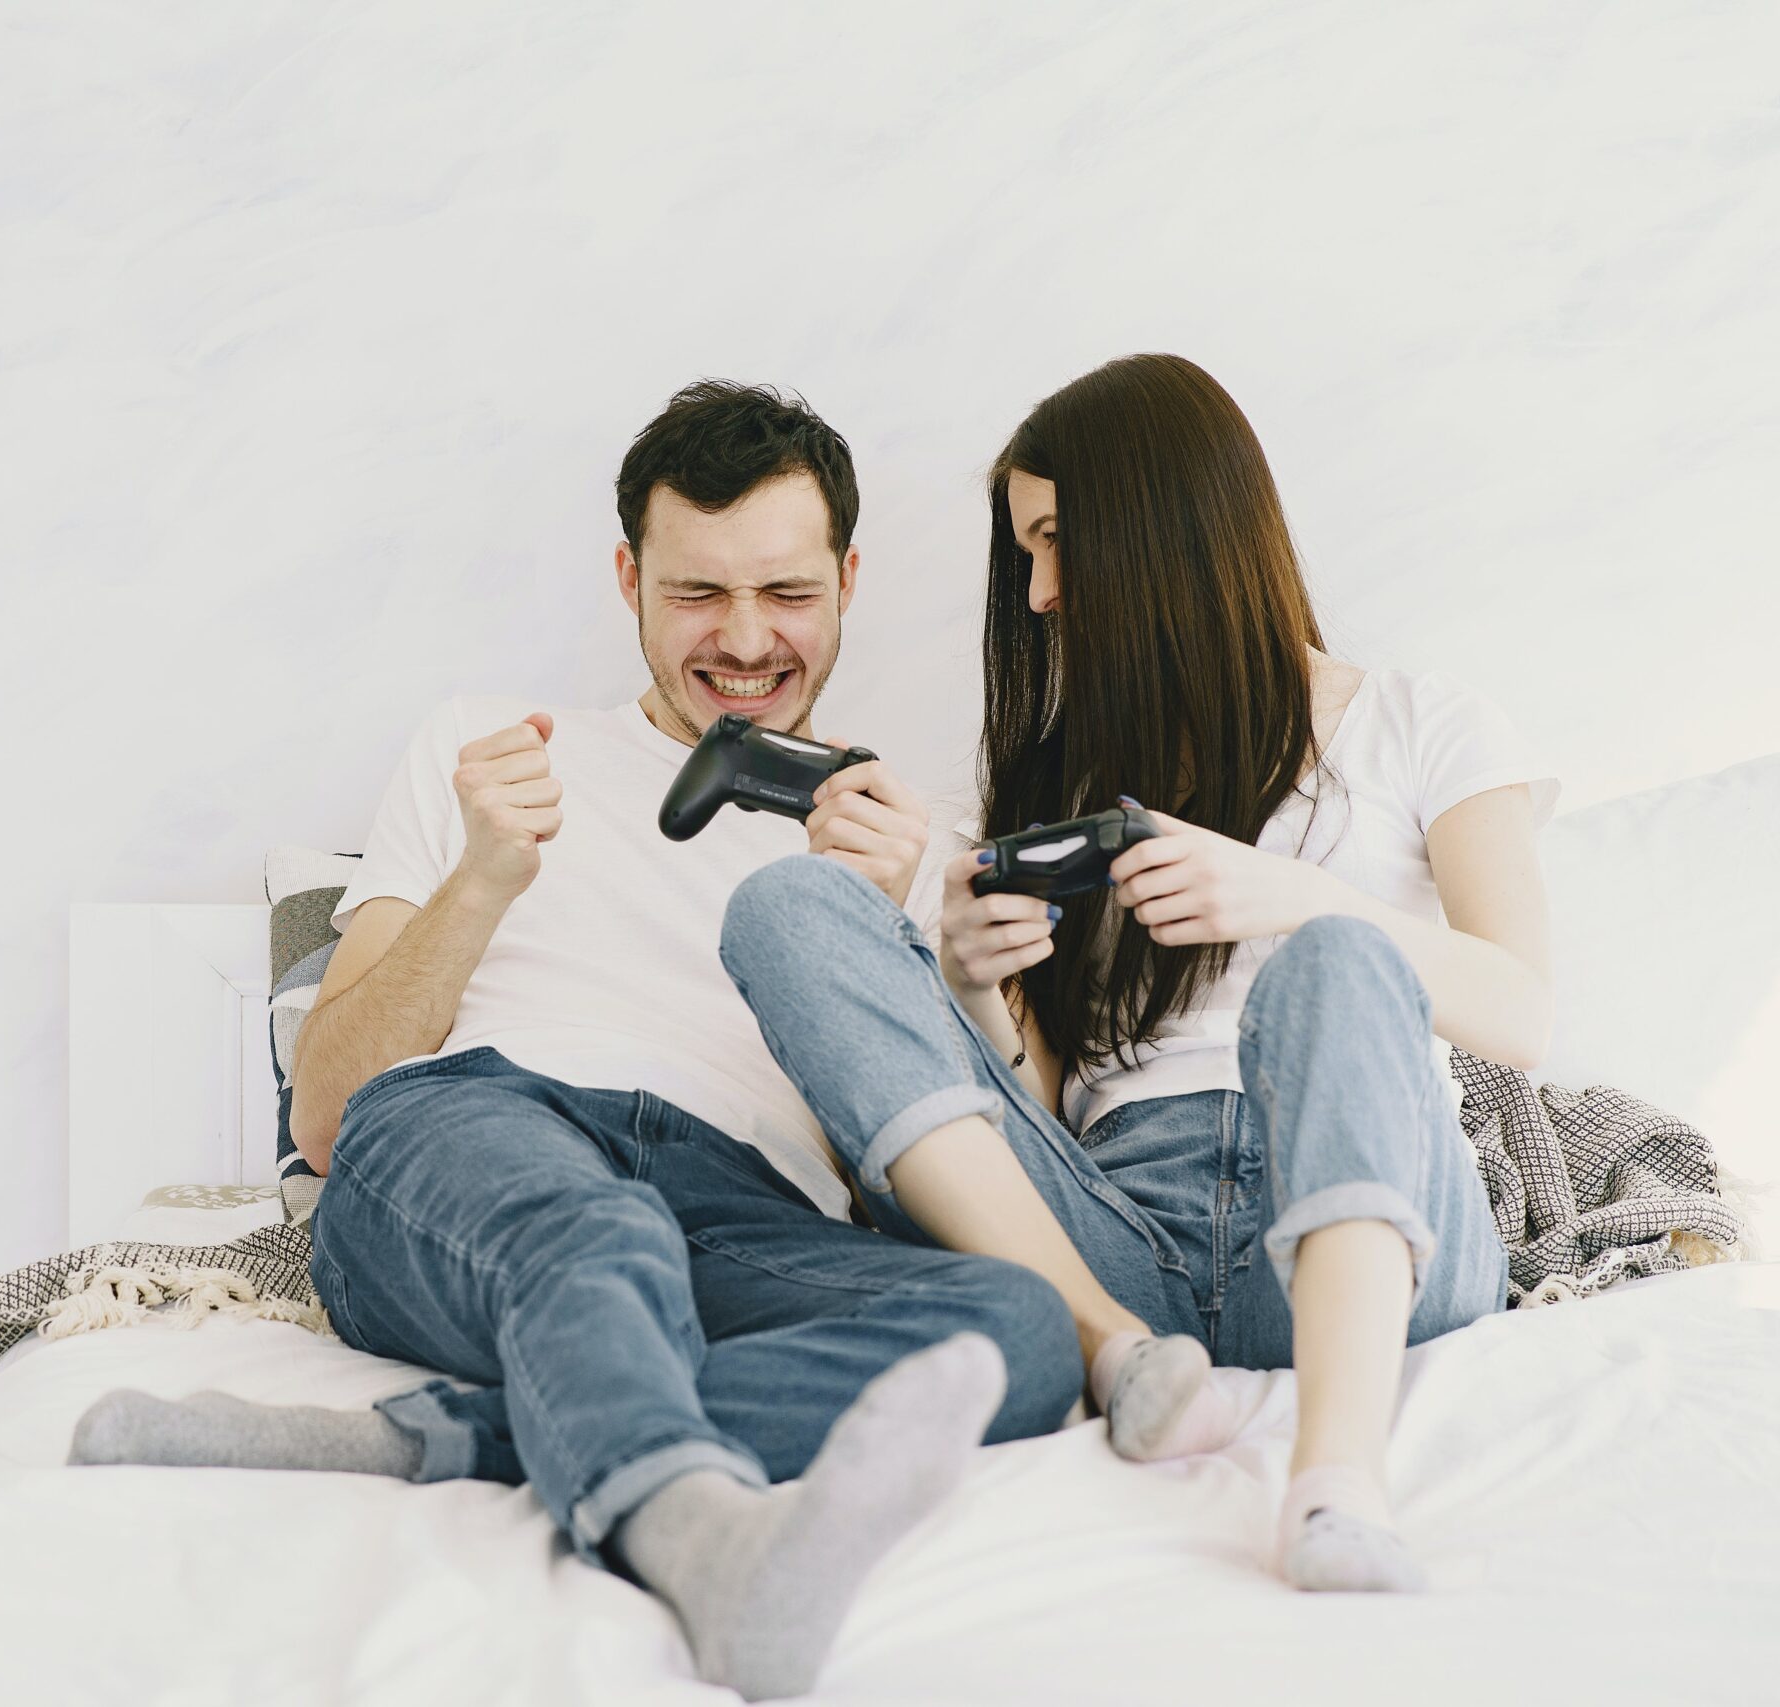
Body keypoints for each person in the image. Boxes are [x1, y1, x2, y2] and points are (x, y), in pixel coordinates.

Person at [67, 381, 1093, 1702]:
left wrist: (929, 956)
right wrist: (486, 875)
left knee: (1016, 1329)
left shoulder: (915, 833)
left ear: (847, 579)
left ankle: (440, 1433)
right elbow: (330, 1107)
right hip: (484, 1133)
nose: (743, 638)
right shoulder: (488, 757)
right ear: (627, 577)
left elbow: (992, 1180)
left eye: (785, 591)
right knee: (597, 1228)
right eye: (695, 593)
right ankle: (702, 1543)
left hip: (742, 1204)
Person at [719, 353, 1557, 1594]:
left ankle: (1335, 1483)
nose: (1042, 593)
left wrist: (1290, 897)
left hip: (1365, 1231)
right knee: (791, 904)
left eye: (1059, 542)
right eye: (1029, 556)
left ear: (1164, 527)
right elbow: (1049, 1107)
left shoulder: (1425, 725)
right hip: (1120, 1254)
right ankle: (1108, 1351)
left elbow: (1525, 1012)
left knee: (1333, 959)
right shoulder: (1055, 785)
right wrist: (974, 988)